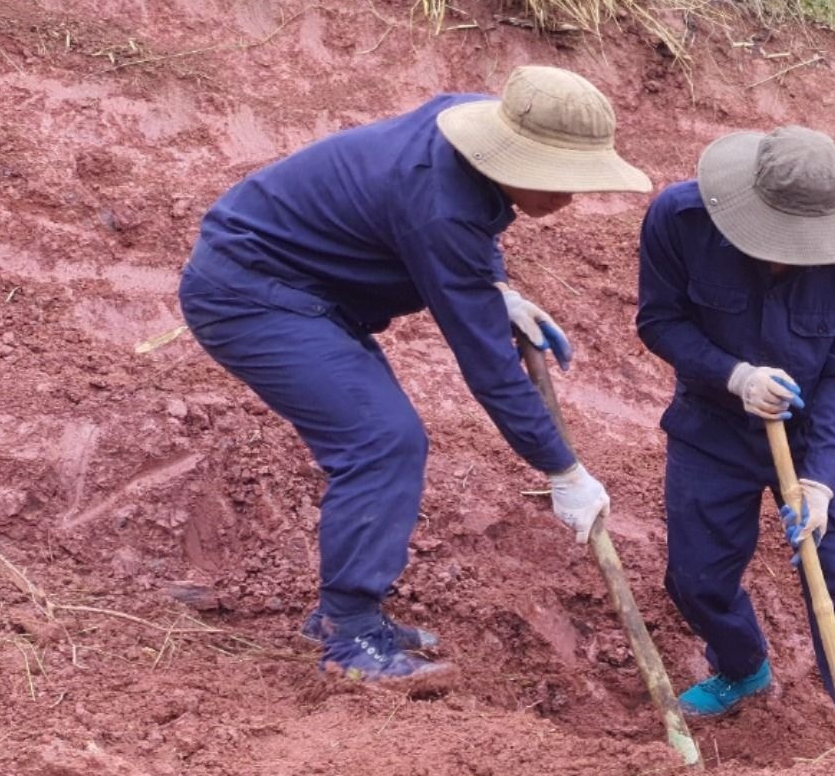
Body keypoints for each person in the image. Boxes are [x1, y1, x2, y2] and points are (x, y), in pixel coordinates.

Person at [177, 66, 649, 681]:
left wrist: (497, 289)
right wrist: (564, 471)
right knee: (380, 441)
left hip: (305, 288)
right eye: (556, 177)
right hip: (249, 293)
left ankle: (344, 617)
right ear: (508, 153)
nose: (568, 198)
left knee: (386, 439)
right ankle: (350, 637)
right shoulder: (438, 205)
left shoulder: (477, 125)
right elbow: (489, 369)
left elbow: (471, 229)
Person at [634, 126, 835, 724]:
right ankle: (741, 665)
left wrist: (822, 481)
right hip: (712, 420)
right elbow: (659, 320)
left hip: (812, 434)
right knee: (696, 576)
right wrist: (733, 376)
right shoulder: (679, 219)